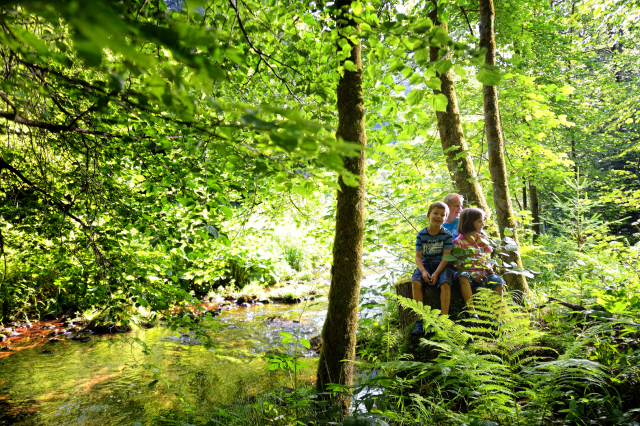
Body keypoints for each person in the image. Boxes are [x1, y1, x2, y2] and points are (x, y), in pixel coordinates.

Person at [411, 201, 455, 336]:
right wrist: (423, 271)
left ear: (446, 219)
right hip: (426, 265)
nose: (439, 216)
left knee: (445, 284)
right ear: (428, 215)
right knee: (416, 283)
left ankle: (443, 319)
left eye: (443, 215)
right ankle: (420, 320)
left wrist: (436, 273)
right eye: (436, 213)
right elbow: (418, 257)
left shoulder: (447, 235)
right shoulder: (421, 234)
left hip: (442, 266)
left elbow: (446, 257)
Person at [453, 208, 504, 320]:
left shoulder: (483, 240)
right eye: (480, 221)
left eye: (483, 221)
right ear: (469, 222)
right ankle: (473, 313)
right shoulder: (458, 242)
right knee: (463, 277)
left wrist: (489, 269)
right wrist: (472, 274)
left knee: (498, 281)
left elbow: (487, 260)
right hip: (468, 275)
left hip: (483, 274)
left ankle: (496, 317)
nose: (483, 224)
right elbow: (457, 264)